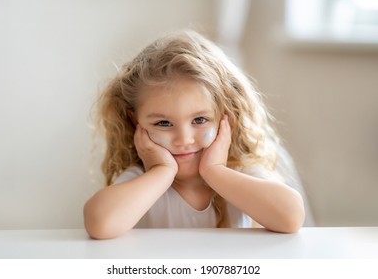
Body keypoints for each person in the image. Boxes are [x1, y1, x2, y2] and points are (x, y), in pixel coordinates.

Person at [83, 29, 305, 239]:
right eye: (163, 123)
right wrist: (162, 171)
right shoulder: (142, 179)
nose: (184, 139)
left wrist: (214, 171)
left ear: (226, 117)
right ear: (136, 122)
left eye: (200, 120)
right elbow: (99, 223)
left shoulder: (239, 171)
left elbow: (291, 216)